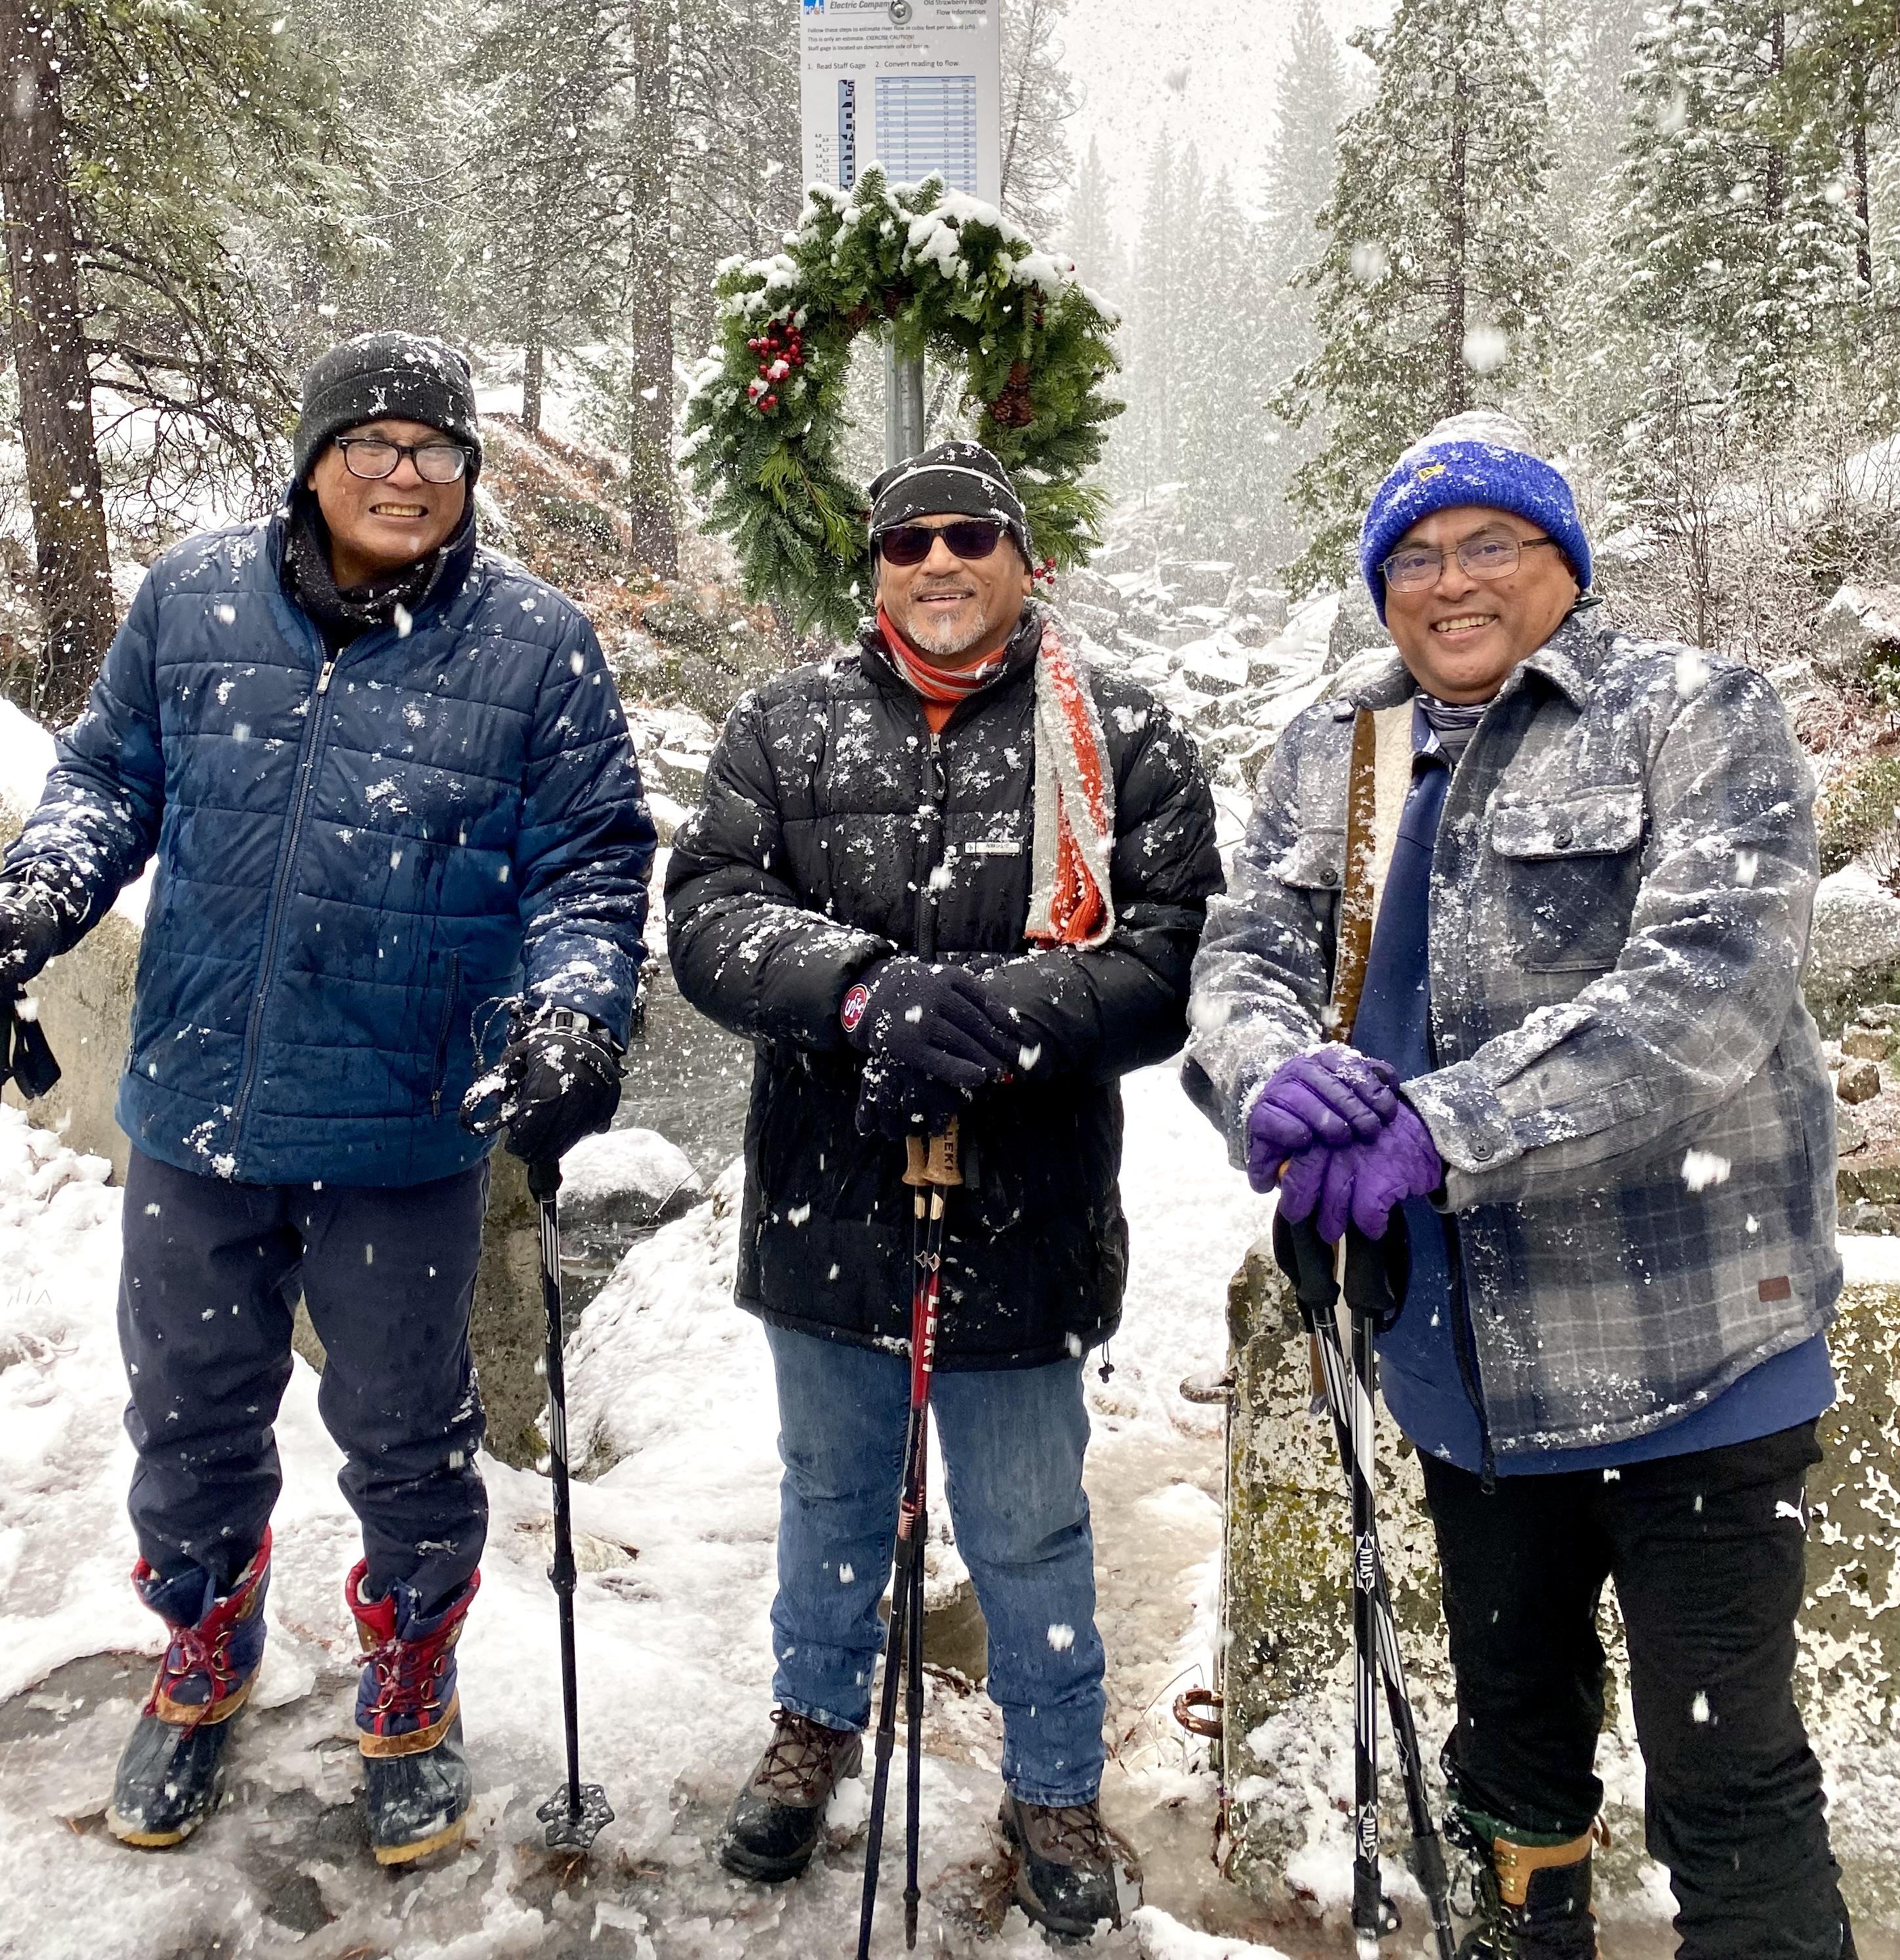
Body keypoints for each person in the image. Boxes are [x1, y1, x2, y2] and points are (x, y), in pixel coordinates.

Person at [1185, 410, 1852, 1960]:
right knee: (1513, 1749)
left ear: (1563, 563)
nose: (1450, 583)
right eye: (1412, 558)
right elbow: (1245, 952)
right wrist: (1271, 1072)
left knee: (1729, 1777)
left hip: (1697, 1354)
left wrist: (1449, 1124)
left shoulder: (1695, 714)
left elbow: (1709, 993)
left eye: (1492, 543)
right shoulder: (1336, 745)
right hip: (1465, 1368)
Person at [0, 332, 654, 1866]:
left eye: (435, 450)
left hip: (404, 1118)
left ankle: (410, 1674)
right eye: (371, 445)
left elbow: (592, 861)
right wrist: (34, 894)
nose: (403, 475)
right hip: (198, 1108)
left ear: (469, 475)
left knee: (407, 1429)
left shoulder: (537, 646)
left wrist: (574, 1008)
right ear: (310, 459)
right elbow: (107, 780)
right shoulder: (192, 600)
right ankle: (204, 1640)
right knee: (188, 1411)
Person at [665, 439, 1220, 1938]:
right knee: (831, 1493)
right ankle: (814, 1725)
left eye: (972, 535)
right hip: (823, 1199)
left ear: (1024, 561)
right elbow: (708, 914)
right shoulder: (784, 728)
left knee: (1030, 1520)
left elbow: (1171, 961)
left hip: (1026, 1211)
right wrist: (858, 997)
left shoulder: (1120, 737)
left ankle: (1051, 1783)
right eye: (908, 542)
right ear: (875, 572)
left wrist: (1007, 1021)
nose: (939, 562)